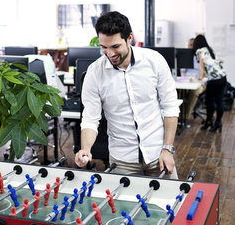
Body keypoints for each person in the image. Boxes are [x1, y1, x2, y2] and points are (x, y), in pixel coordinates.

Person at [74, 11, 181, 178]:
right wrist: (85, 149)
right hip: (122, 158)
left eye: (115, 46)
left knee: (171, 201)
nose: (110, 54)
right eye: (104, 47)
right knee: (122, 204)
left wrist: (168, 148)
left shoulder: (155, 61)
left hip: (158, 152)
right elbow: (90, 118)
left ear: (129, 38)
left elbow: (170, 107)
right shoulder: (94, 73)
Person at [192, 34, 227, 132]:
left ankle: (208, 122)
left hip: (214, 80)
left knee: (209, 101)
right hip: (223, 77)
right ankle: (218, 123)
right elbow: (217, 62)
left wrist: (200, 78)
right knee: (219, 101)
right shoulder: (210, 49)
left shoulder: (199, 51)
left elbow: (202, 66)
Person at [184, 37, 206, 120]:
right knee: (179, 92)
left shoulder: (201, 56)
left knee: (194, 91)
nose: (191, 47)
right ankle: (180, 115)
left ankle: (186, 116)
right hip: (187, 81)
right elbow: (183, 72)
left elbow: (205, 73)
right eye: (190, 45)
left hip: (200, 82)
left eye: (193, 45)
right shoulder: (185, 56)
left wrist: (201, 79)